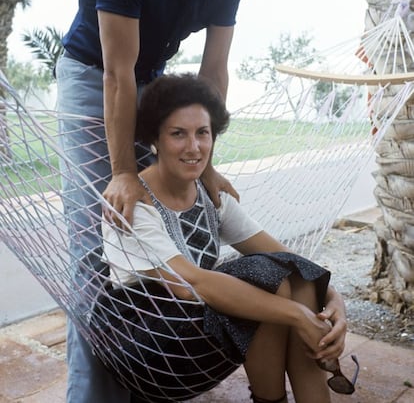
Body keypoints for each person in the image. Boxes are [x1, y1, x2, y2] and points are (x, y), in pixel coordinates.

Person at [55, 0, 268, 403]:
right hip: (92, 73)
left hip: (149, 77)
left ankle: (153, 376)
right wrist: (124, 172)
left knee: (178, 226)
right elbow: (116, 74)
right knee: (99, 240)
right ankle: (92, 396)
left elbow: (214, 74)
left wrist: (209, 169)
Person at [90, 73, 356, 403]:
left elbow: (290, 260)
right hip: (144, 342)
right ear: (154, 139)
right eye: (178, 134)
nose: (194, 147)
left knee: (294, 280)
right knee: (268, 283)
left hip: (197, 325)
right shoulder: (132, 204)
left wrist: (334, 301)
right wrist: (297, 316)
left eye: (203, 133)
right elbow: (190, 284)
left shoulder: (210, 195)